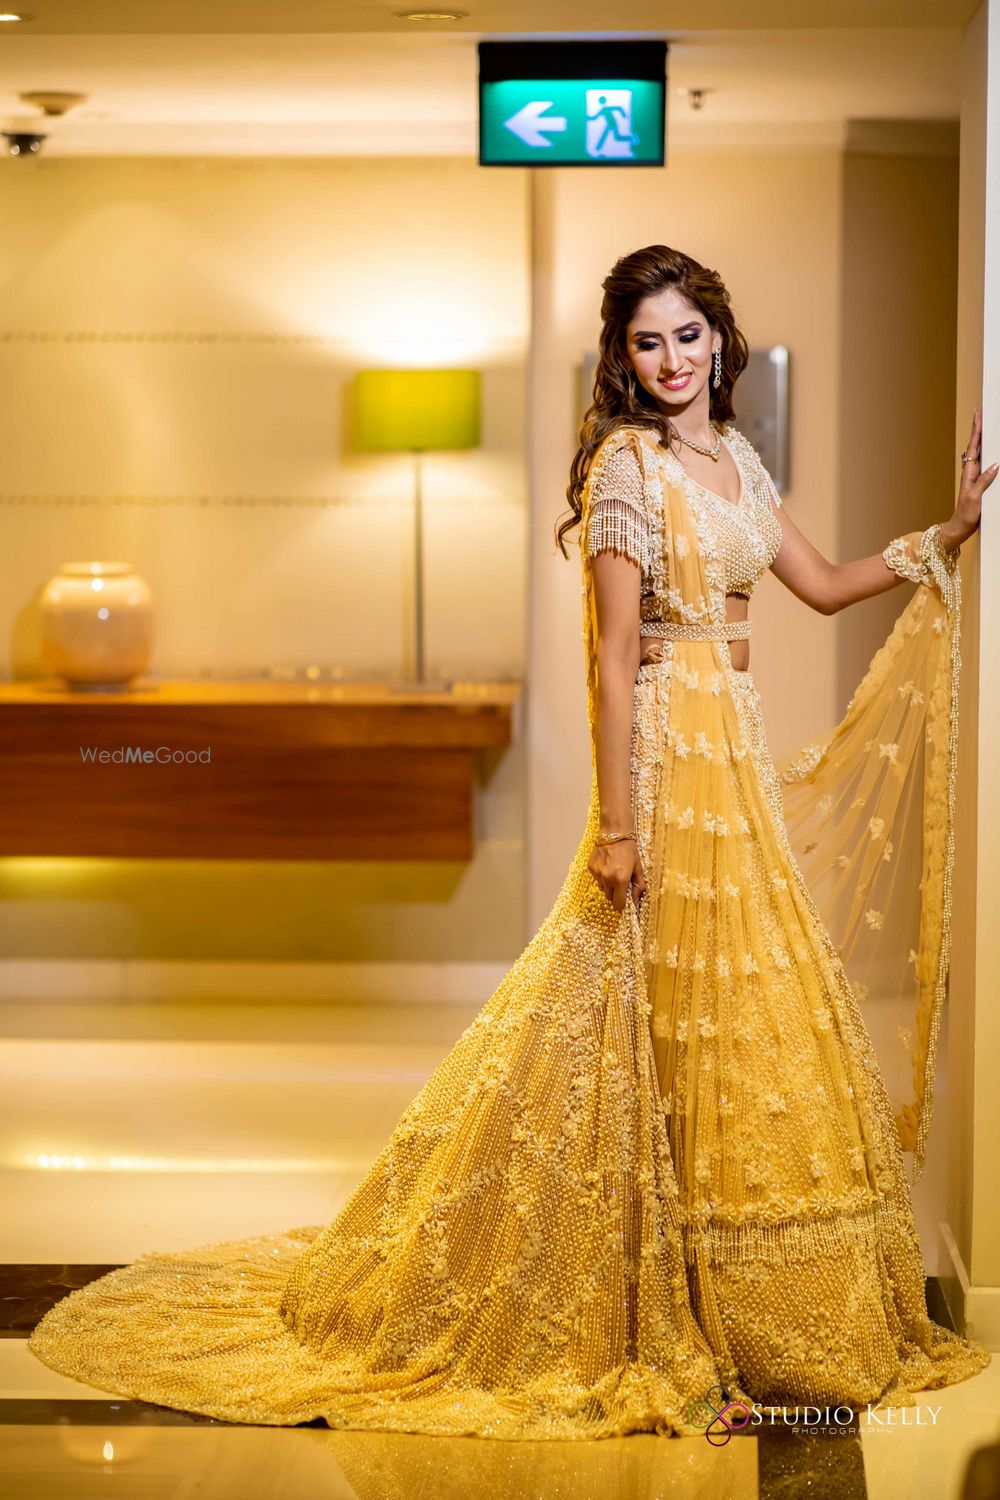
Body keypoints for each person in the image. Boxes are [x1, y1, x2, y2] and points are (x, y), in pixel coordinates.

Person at [28, 245, 993, 1440]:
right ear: (621, 360)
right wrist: (621, 824)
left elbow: (829, 583)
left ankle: (741, 1311)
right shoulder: (626, 471)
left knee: (732, 1025)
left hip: (730, 760)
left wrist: (943, 535)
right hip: (665, 759)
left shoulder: (734, 458)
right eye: (649, 342)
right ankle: (643, 1305)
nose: (673, 359)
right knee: (638, 1017)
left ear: (718, 340)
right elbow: (607, 655)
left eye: (689, 335)